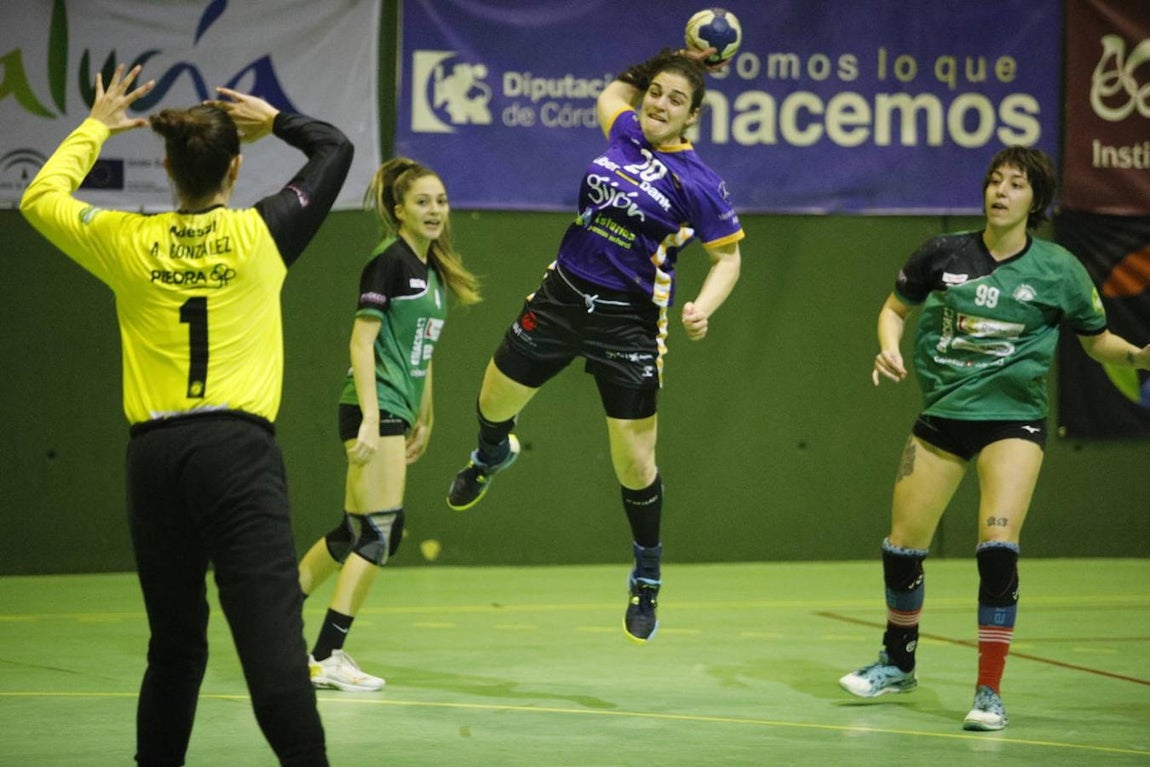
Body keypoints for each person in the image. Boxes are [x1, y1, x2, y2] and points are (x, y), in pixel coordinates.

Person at [19, 64, 353, 765]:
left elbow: (39, 197)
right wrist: (277, 120)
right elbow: (335, 150)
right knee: (272, 649)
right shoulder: (265, 233)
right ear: (236, 167)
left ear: (167, 166)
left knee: (174, 647)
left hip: (155, 460)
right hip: (237, 453)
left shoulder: (127, 241)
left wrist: (94, 127)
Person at [838, 146, 1150, 731]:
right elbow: (893, 309)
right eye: (994, 181)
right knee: (903, 547)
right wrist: (888, 344)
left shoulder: (1059, 270)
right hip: (943, 415)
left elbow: (1097, 340)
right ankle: (897, 664)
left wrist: (1137, 356)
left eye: (1017, 185)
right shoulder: (942, 253)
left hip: (1014, 420)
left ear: (1037, 202)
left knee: (997, 547)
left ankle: (988, 691)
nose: (1001, 192)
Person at [445, 46, 744, 644]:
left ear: (693, 117)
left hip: (629, 320)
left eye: (676, 99)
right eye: (656, 91)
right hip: (563, 294)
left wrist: (701, 308)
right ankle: (489, 454)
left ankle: (647, 576)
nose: (659, 103)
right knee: (494, 402)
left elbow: (728, 258)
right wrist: (676, 57)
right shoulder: (626, 129)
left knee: (634, 463)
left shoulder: (700, 184)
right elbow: (611, 93)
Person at [297, 158, 480, 690]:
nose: (434, 211)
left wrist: (427, 409)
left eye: (441, 201)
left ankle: (275, 616)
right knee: (380, 532)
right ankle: (327, 655)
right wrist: (374, 423)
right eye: (422, 202)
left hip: (398, 407)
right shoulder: (389, 261)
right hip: (371, 408)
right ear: (398, 210)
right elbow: (363, 341)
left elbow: (420, 345)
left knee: (357, 530)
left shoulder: (432, 269)